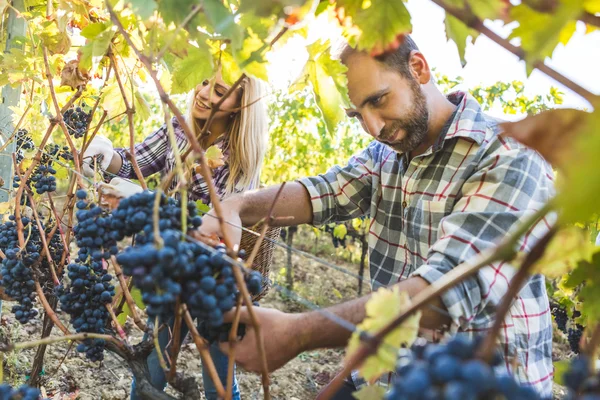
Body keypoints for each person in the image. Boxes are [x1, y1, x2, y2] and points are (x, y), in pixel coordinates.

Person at [197, 36, 555, 398]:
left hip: (482, 387)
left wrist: (299, 332)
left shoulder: (508, 157)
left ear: (418, 68)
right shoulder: (387, 155)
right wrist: (236, 205)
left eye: (378, 100)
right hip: (398, 376)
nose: (373, 127)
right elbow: (322, 192)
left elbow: (442, 297)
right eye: (357, 114)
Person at [83, 72, 269, 400]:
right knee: (153, 365)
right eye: (204, 82)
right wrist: (105, 154)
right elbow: (129, 163)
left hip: (215, 280)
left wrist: (147, 202)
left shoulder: (240, 155)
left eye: (220, 91)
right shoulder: (178, 129)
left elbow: (216, 230)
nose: (204, 93)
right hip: (168, 265)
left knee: (219, 378)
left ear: (241, 106)